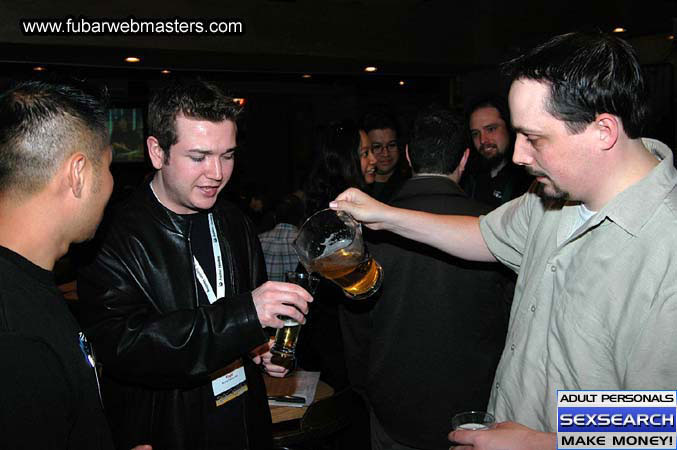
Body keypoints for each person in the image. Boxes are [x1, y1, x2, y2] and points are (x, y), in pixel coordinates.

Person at [330, 31, 677, 450]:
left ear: (602, 131)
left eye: (535, 137)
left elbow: (655, 423)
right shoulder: (556, 195)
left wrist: (540, 442)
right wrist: (385, 216)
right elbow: (484, 234)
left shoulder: (666, 252)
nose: (519, 156)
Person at [77, 79, 313, 450]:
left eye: (228, 155)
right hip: (167, 432)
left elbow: (252, 321)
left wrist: (261, 347)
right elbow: (125, 348)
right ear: (157, 152)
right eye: (199, 157)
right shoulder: (112, 235)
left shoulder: (235, 222)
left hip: (243, 425)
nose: (217, 173)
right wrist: (244, 316)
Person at [0, 80, 150, 450]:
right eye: (109, 166)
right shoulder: (17, 339)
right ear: (78, 173)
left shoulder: (27, 284)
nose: (112, 183)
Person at [365, 107, 508, 450]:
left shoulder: (369, 224)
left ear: (409, 156)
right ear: (464, 159)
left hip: (393, 405)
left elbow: (356, 325)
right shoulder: (498, 226)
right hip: (473, 407)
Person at [464, 95, 532, 208]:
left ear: (510, 128)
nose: (483, 140)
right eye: (475, 134)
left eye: (491, 129)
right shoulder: (468, 179)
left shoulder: (529, 180)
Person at [361, 110, 410, 203]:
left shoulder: (409, 184)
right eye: (377, 147)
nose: (385, 153)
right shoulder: (357, 187)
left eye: (391, 145)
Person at [258, 192, 305, 281]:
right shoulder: (306, 243)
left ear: (275, 216)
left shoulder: (259, 240)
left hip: (265, 294)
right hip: (294, 293)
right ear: (301, 218)